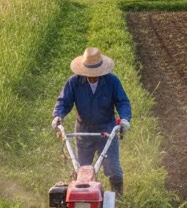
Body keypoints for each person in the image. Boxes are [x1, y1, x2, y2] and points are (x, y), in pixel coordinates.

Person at [51, 46, 132, 196]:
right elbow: (64, 101)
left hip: (107, 128)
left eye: (95, 73)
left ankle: (118, 199)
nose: (92, 76)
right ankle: (83, 203)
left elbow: (122, 102)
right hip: (84, 130)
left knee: (113, 169)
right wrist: (58, 115)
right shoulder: (74, 82)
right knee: (83, 170)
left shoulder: (112, 81)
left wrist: (125, 119)